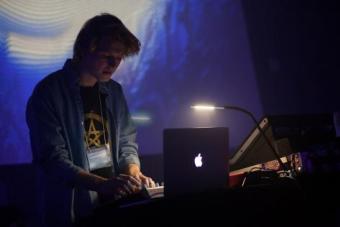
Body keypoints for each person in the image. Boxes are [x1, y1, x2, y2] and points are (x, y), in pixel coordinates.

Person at [26, 13, 155, 226]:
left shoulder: (114, 92)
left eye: (119, 56)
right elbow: (53, 160)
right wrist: (102, 185)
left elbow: (126, 143)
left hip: (113, 207)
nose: (114, 64)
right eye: (106, 55)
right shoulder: (48, 93)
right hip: (71, 211)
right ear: (84, 50)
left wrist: (134, 173)